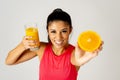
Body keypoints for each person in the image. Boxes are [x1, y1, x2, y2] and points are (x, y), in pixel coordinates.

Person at [5, 8, 103, 80]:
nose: (58, 37)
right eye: (53, 31)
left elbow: (77, 60)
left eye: (64, 31)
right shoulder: (41, 48)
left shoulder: (74, 52)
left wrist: (85, 58)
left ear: (70, 30)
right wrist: (22, 45)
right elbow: (9, 61)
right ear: (47, 31)